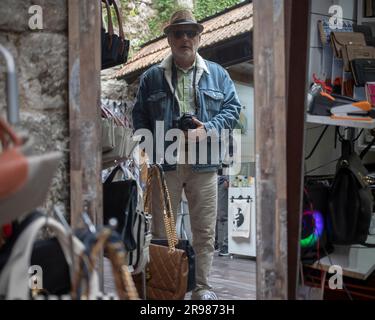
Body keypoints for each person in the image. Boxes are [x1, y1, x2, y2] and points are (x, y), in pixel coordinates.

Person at [132, 9, 241, 300]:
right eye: (178, 33)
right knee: (163, 230)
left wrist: (208, 128)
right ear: (169, 39)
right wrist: (149, 148)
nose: (185, 38)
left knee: (204, 232)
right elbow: (139, 116)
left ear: (199, 37)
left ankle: (203, 289)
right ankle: (166, 286)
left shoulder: (218, 75)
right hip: (166, 165)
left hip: (204, 165)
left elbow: (233, 109)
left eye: (190, 32)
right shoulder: (151, 78)